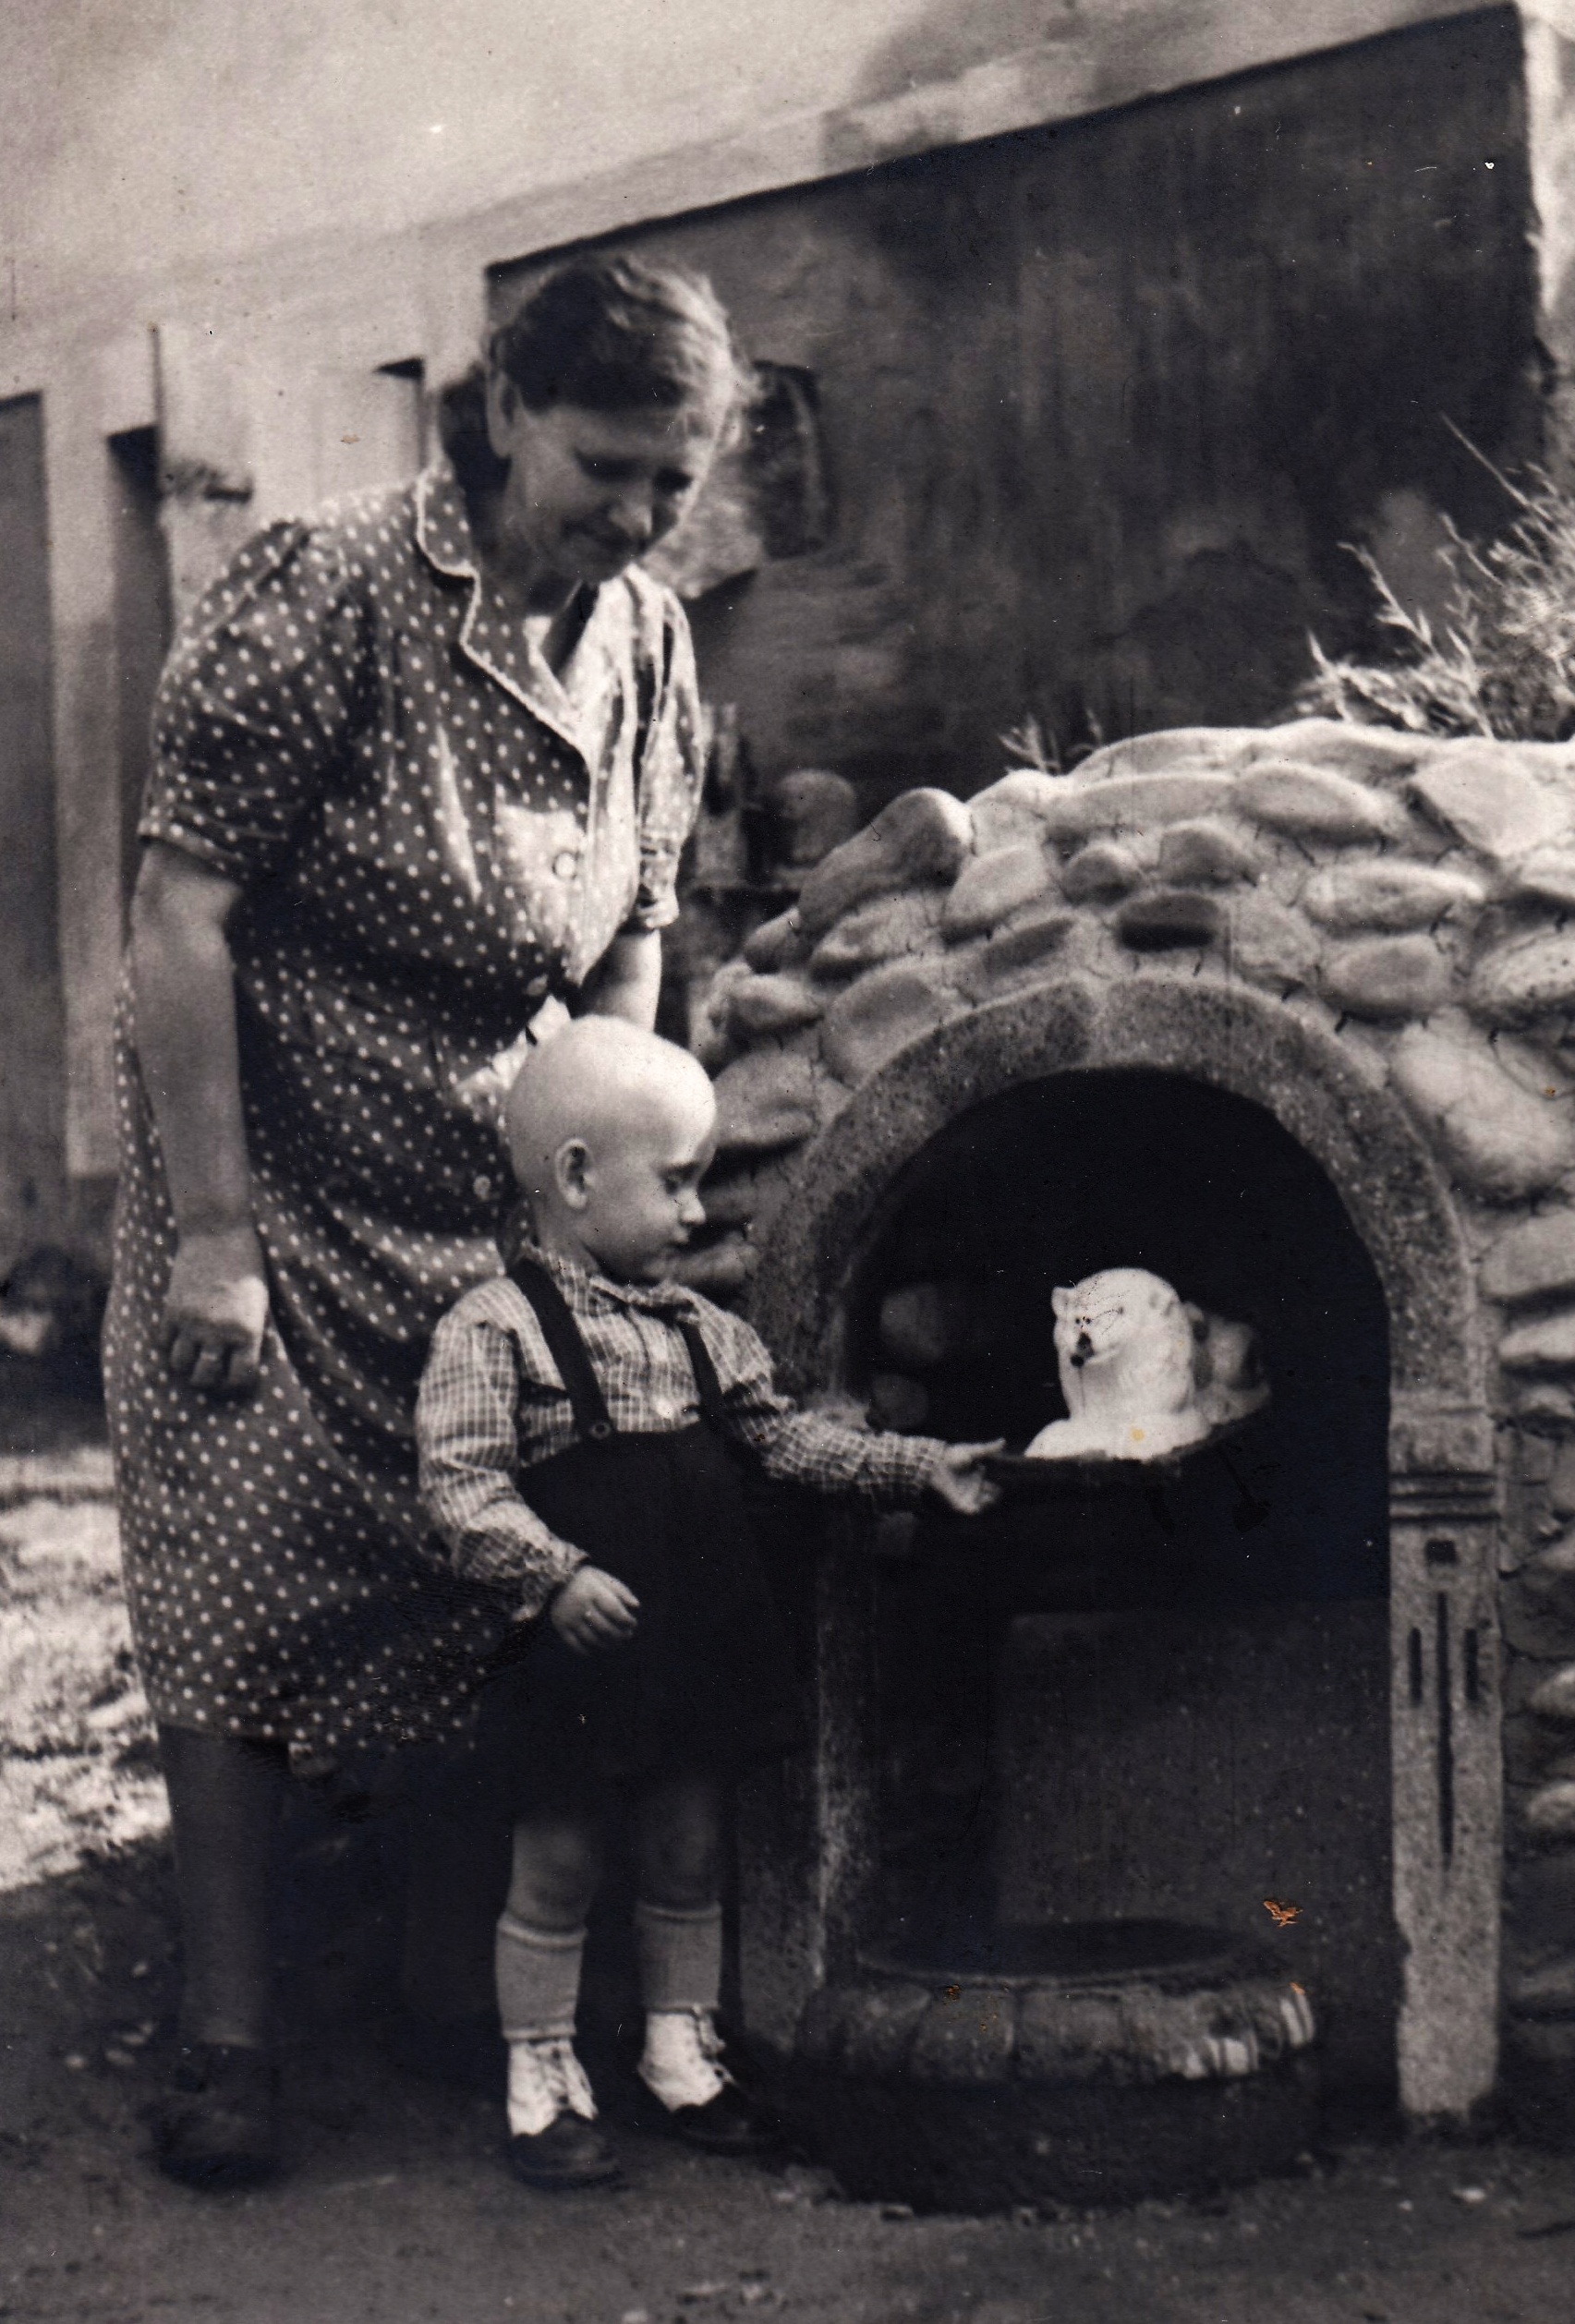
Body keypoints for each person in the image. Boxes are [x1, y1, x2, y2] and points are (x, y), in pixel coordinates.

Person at [103, 251, 751, 2190]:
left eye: (674, 482)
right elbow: (179, 914)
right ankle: (229, 2041)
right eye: (607, 468)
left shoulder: (645, 645)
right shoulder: (325, 589)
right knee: (241, 1570)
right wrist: (216, 1232)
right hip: (281, 1176)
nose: (637, 517)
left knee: (495, 1564)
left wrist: (596, 1205)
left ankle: (441, 1983)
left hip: (494, 1199)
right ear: (505, 414)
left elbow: (631, 942)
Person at [415, 1016, 1001, 2190]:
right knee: (559, 1859)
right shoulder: (495, 1330)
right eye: (676, 1182)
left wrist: (914, 1466)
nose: (696, 1214)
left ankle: (679, 2051)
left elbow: (784, 1443)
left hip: (688, 1639)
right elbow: (459, 1486)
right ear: (577, 1176)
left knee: (689, 1848)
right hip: (575, 1652)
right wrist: (553, 1572)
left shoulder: (701, 1334)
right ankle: (541, 2075)